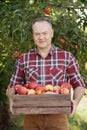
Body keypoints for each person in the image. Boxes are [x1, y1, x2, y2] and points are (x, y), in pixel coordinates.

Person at [7, 17, 85, 130]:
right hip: (31, 116)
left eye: (45, 33)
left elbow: (79, 84)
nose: (41, 37)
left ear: (52, 33)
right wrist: (11, 100)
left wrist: (75, 101)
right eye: (37, 34)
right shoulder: (24, 59)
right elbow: (13, 86)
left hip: (58, 116)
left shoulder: (67, 57)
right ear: (33, 36)